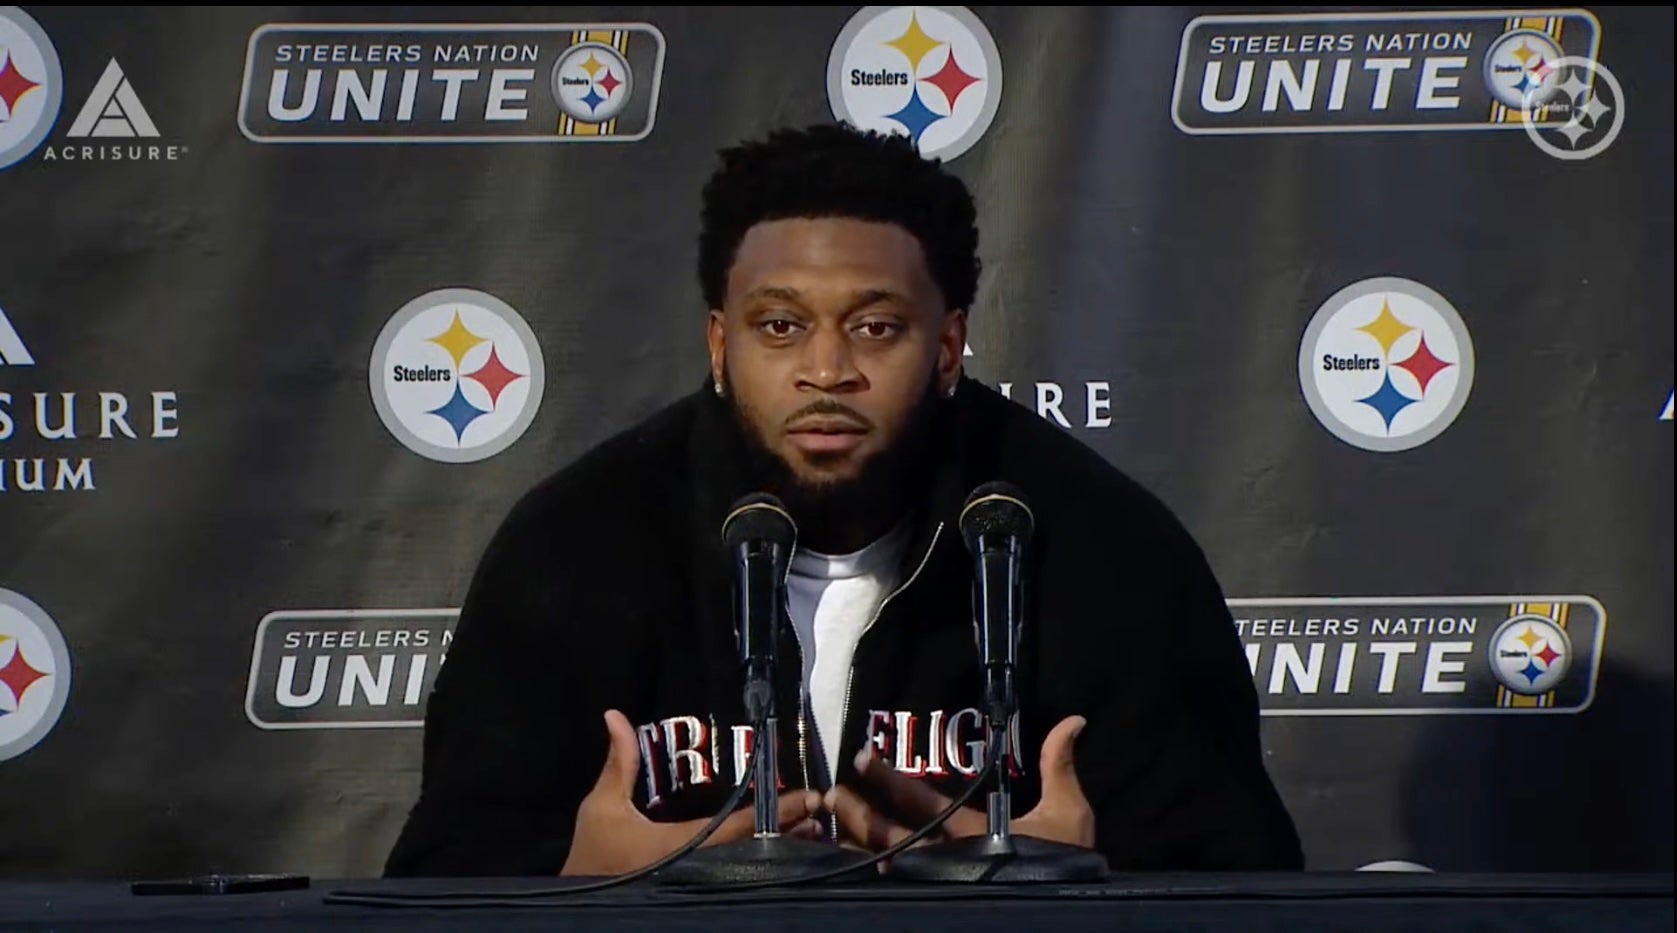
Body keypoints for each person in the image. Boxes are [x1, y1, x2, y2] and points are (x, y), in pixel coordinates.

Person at [383, 122, 1303, 878]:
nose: (826, 371)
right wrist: (577, 880)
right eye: (779, 326)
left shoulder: (1099, 548)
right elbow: (439, 873)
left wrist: (1084, 882)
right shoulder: (580, 545)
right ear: (718, 343)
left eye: (875, 326)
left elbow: (1243, 874)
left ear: (947, 348)